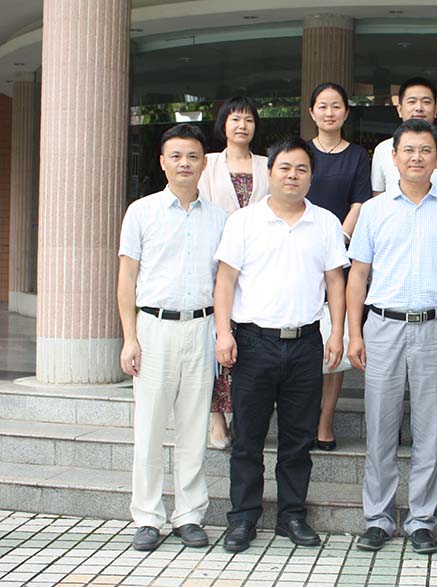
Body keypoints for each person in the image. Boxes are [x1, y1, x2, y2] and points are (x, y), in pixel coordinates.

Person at [213, 136, 349, 553]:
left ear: (311, 176)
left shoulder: (325, 222)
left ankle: (292, 515)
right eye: (285, 168)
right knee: (248, 438)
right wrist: (223, 332)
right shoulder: (244, 221)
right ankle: (243, 518)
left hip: (306, 343)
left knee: (298, 438)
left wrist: (337, 333)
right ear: (269, 173)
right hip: (253, 342)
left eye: (302, 169)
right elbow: (226, 281)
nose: (293, 175)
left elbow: (335, 282)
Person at [347, 118, 437, 555]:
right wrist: (354, 333)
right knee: (380, 426)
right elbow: (357, 276)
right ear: (393, 157)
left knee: (429, 428)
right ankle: (378, 518)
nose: (417, 157)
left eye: (425, 151)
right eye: (409, 150)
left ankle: (422, 519)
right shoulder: (373, 210)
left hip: (436, 327)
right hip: (382, 326)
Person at [117, 123, 227, 551]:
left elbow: (224, 282)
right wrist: (130, 338)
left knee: (194, 427)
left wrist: (223, 333)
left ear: (204, 163)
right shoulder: (141, 212)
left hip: (202, 328)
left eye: (193, 156)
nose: (185, 163)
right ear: (162, 162)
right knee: (148, 428)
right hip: (153, 328)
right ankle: (147, 517)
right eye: (176, 156)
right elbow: (127, 278)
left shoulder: (220, 218)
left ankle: (189, 515)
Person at [198, 95, 270, 449]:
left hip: (259, 265)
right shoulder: (208, 163)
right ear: (223, 124)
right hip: (217, 261)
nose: (242, 125)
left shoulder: (267, 165)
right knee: (217, 337)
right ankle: (216, 418)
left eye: (249, 119)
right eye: (235, 119)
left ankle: (244, 414)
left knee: (248, 341)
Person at [305, 82, 372, 452]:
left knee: (335, 337)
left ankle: (325, 422)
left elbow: (360, 202)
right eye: (322, 106)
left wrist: (337, 240)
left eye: (336, 106)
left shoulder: (358, 156)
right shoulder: (301, 153)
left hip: (340, 255)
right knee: (303, 339)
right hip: (299, 255)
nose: (329, 112)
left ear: (346, 112)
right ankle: (303, 417)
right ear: (312, 112)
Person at [371, 77, 437, 203]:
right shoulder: (382, 149)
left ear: (435, 110)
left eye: (426, 102)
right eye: (412, 101)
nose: (419, 108)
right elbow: (378, 198)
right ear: (400, 109)